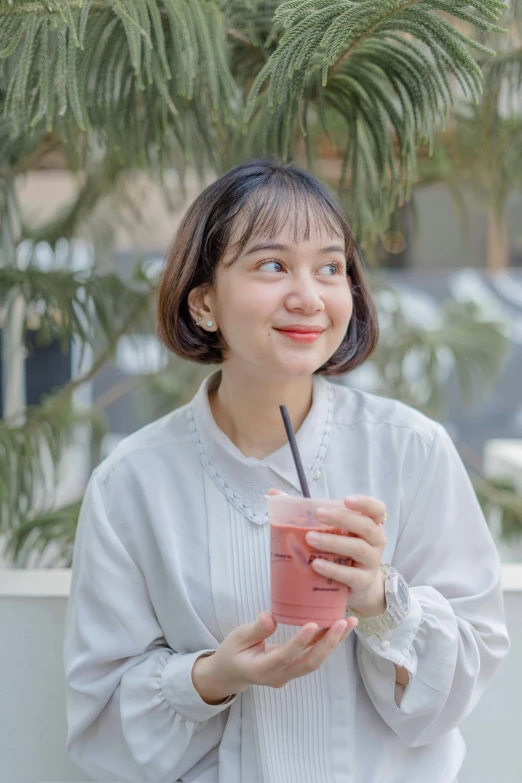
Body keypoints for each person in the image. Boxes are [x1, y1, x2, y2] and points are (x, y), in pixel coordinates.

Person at [63, 158, 510, 783]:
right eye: (272, 265)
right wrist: (213, 677)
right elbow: (100, 723)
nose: (309, 296)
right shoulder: (133, 484)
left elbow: (466, 674)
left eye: (330, 267)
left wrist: (382, 597)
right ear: (204, 303)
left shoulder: (410, 451)